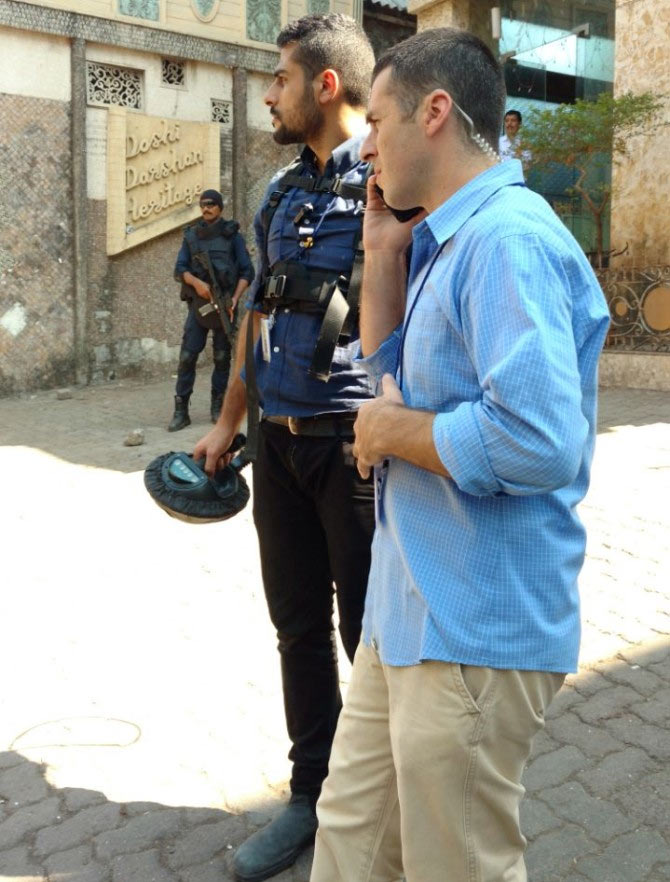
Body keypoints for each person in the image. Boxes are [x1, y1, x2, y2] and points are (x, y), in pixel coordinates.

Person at [310, 27, 610, 882]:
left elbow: (539, 437)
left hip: (473, 627)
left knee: (457, 864)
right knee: (354, 843)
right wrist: (381, 257)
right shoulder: (442, 239)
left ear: (435, 112)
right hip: (404, 610)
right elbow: (387, 377)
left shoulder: (505, 241)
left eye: (378, 120)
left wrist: (396, 433)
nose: (364, 143)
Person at [193, 14, 376, 882]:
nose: (268, 91)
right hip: (278, 443)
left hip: (356, 453)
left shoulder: (390, 179)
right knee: (296, 628)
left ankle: (384, 804)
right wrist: (230, 422)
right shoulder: (277, 193)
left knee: (368, 638)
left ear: (325, 85)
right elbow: (255, 319)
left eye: (279, 77)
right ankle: (312, 795)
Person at [168, 189, 254, 431]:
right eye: (202, 204)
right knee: (187, 357)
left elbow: (248, 271)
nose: (206, 208)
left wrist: (235, 298)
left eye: (211, 204)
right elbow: (180, 269)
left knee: (222, 357)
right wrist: (198, 284)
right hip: (199, 305)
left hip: (225, 304)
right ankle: (181, 410)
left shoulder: (232, 236)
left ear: (219, 207)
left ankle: (218, 407)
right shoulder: (192, 236)